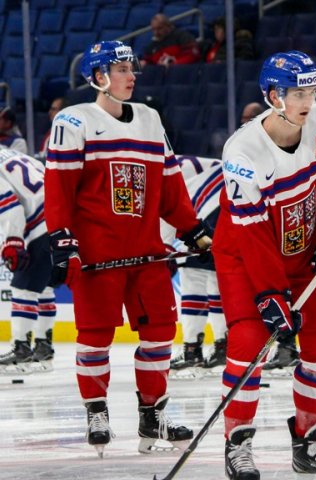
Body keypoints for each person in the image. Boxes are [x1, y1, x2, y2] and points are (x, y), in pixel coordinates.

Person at [213, 50, 316, 480]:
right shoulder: (242, 151)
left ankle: (309, 443)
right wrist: (268, 294)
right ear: (272, 95)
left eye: (313, 90)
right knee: (250, 343)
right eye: (297, 92)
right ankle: (238, 443)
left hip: (305, 253)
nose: (309, 101)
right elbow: (252, 235)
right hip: (247, 256)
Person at [43, 40, 212, 457]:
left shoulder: (151, 120)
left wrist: (194, 231)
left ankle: (153, 412)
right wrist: (62, 238)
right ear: (99, 77)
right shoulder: (73, 121)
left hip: (147, 252)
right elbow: (59, 188)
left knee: (158, 334)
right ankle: (96, 409)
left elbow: (170, 184)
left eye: (132, 68)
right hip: (97, 256)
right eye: (121, 69)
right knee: (95, 337)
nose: (131, 75)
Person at [166, 156, 228, 379]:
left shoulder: (160, 166)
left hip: (203, 214)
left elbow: (167, 209)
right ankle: (223, 348)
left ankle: (192, 350)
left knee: (195, 277)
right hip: (228, 210)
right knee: (217, 279)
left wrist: (165, 249)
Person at [0, 146, 56, 375]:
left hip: (40, 225)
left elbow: (10, 207)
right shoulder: (10, 152)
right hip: (58, 217)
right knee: (43, 287)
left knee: (23, 289)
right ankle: (43, 347)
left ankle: (21, 350)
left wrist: (13, 241)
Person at [36, 97, 67, 162]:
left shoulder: (66, 132)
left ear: (63, 111)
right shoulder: (52, 130)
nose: (49, 112)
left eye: (53, 109)